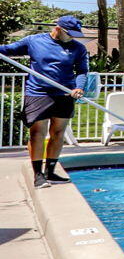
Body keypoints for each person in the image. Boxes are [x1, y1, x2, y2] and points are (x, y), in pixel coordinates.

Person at [6, 15, 93, 185]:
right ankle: (38, 175)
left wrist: (79, 87)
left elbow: (82, 71)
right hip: (38, 93)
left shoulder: (78, 48)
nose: (72, 37)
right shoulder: (34, 41)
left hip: (65, 93)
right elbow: (8, 49)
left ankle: (51, 171)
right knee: (38, 132)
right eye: (69, 33)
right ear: (58, 28)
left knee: (58, 133)